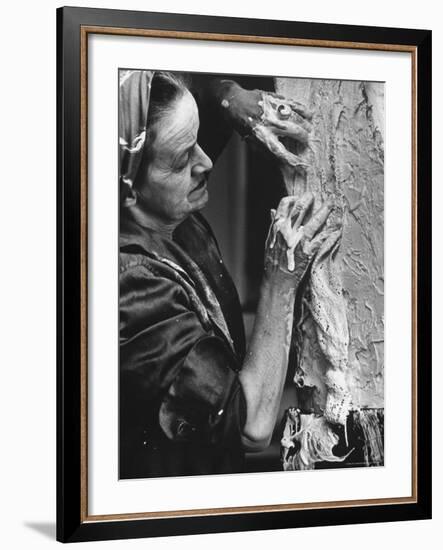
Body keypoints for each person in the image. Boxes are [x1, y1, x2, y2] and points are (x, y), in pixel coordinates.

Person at [119, 70, 335, 478]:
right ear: (129, 187)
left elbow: (198, 111)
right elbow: (252, 425)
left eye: (199, 138)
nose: (205, 161)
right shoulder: (130, 287)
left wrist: (229, 99)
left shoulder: (166, 192)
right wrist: (280, 279)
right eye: (184, 159)